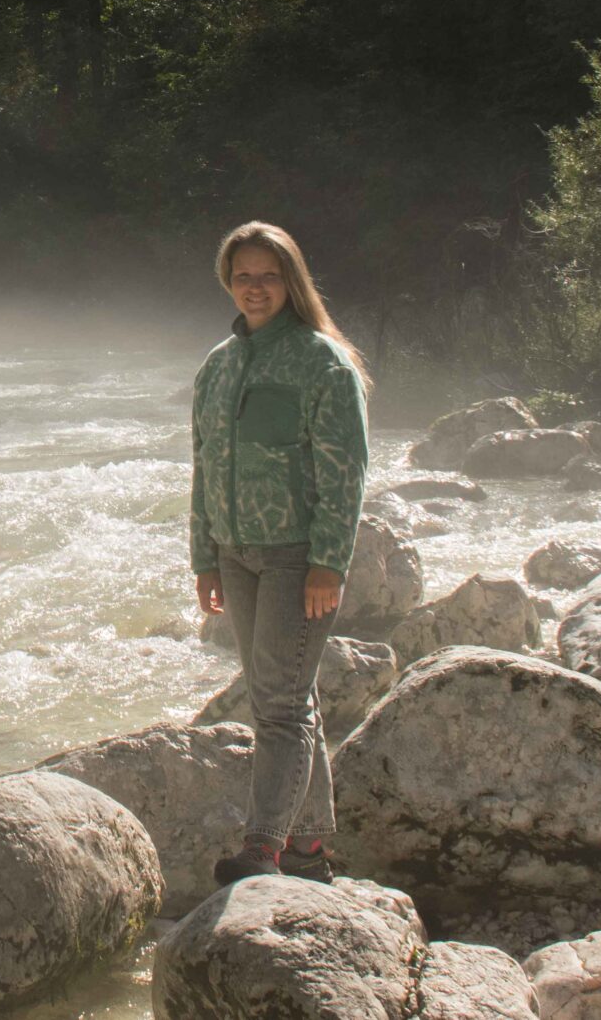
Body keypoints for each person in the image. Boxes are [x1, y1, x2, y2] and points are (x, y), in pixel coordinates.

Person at [189, 219, 372, 887]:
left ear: (290, 280)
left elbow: (344, 471)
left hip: (297, 555)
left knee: (279, 705)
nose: (254, 287)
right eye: (243, 275)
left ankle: (263, 848)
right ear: (228, 282)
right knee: (291, 695)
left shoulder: (323, 362)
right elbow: (204, 467)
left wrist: (331, 560)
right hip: (236, 555)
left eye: (268, 275)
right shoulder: (218, 365)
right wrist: (203, 556)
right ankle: (309, 846)